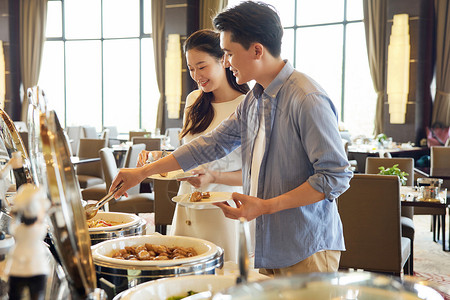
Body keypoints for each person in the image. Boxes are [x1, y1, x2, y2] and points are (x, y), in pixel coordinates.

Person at [112, 1, 352, 275]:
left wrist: (265, 206)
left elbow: (335, 177)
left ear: (257, 50)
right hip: (267, 245)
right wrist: (142, 172)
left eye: (228, 53)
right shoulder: (253, 100)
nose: (225, 62)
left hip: (306, 247)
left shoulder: (307, 98)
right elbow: (209, 145)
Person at [136, 29, 249, 262]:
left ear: (224, 60)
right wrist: (161, 157)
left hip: (223, 211)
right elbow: (190, 153)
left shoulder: (247, 106)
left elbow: (253, 174)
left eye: (202, 66)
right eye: (191, 68)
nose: (196, 75)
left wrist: (213, 176)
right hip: (186, 205)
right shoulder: (193, 101)